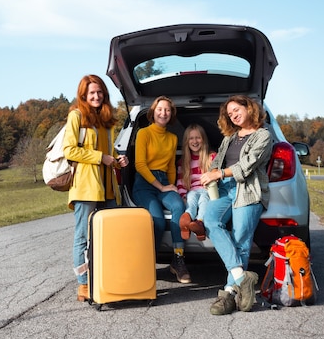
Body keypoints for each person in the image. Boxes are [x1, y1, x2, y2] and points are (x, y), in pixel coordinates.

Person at [200, 95, 272, 315]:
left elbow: (247, 165)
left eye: (236, 110)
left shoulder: (263, 135)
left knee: (241, 238)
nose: (234, 115)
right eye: (230, 114)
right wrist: (210, 174)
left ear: (249, 108)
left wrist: (219, 173)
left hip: (248, 190)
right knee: (211, 221)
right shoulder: (229, 138)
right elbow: (217, 162)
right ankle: (243, 277)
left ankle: (229, 294)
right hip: (224, 189)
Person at [63, 74, 129, 302]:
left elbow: (109, 151)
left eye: (99, 92)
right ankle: (83, 284)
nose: (96, 96)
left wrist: (118, 159)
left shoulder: (107, 119)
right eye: (91, 93)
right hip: (86, 186)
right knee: (82, 237)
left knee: (108, 236)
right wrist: (102, 158)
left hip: (108, 186)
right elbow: (69, 150)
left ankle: (104, 278)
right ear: (83, 95)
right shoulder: (76, 116)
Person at [132, 96, 190, 283]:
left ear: (171, 114)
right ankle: (149, 265)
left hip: (164, 181)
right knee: (156, 221)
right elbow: (140, 165)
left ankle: (178, 260)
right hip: (144, 183)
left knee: (178, 206)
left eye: (167, 110)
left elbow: (171, 166)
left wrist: (171, 186)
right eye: (160, 109)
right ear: (153, 112)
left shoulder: (173, 138)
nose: (163, 113)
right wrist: (162, 186)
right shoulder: (144, 133)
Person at [177, 124, 216, 241]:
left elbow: (217, 176)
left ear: (203, 139)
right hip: (192, 190)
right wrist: (182, 195)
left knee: (204, 199)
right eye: (191, 138)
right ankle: (187, 219)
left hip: (207, 190)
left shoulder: (212, 157)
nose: (195, 141)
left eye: (198, 137)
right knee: (191, 198)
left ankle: (199, 223)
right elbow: (181, 182)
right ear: (186, 141)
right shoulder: (183, 162)